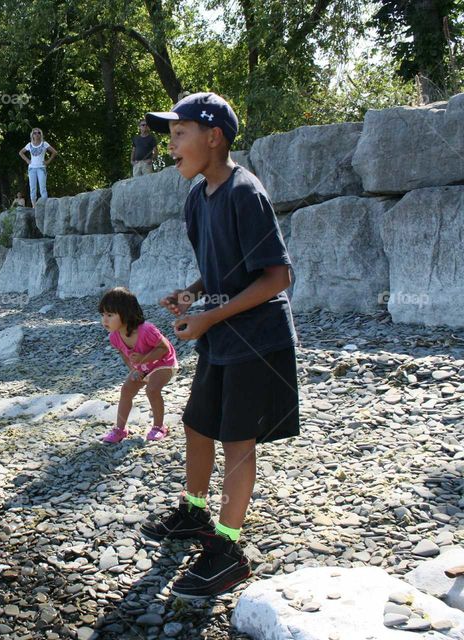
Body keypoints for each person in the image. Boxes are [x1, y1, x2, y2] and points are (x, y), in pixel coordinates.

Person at [142, 92, 299, 599]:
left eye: (180, 134)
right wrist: (193, 294)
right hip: (220, 335)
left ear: (214, 137)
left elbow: (277, 277)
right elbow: (221, 271)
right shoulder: (197, 198)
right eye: (170, 137)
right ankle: (194, 511)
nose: (171, 147)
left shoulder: (244, 193)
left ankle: (228, 549)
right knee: (197, 423)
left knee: (237, 440)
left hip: (257, 341)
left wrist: (207, 316)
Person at [98, 287, 178, 444]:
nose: (104, 320)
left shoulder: (146, 330)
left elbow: (164, 348)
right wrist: (134, 369)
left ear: (126, 313)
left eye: (109, 315)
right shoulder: (114, 337)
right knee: (126, 390)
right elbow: (124, 354)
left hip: (163, 363)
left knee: (152, 390)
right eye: (102, 315)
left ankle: (159, 427)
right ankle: (120, 429)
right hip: (142, 366)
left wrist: (144, 358)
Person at [18, 128, 57, 205]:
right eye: (35, 133)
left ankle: (44, 205)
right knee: (33, 188)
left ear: (41, 134)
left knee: (43, 188)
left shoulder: (44, 144)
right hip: (32, 168)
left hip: (41, 168)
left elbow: (54, 152)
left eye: (39, 133)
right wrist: (27, 160)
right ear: (32, 135)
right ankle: (34, 207)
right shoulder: (29, 145)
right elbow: (21, 152)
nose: (37, 134)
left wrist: (48, 161)